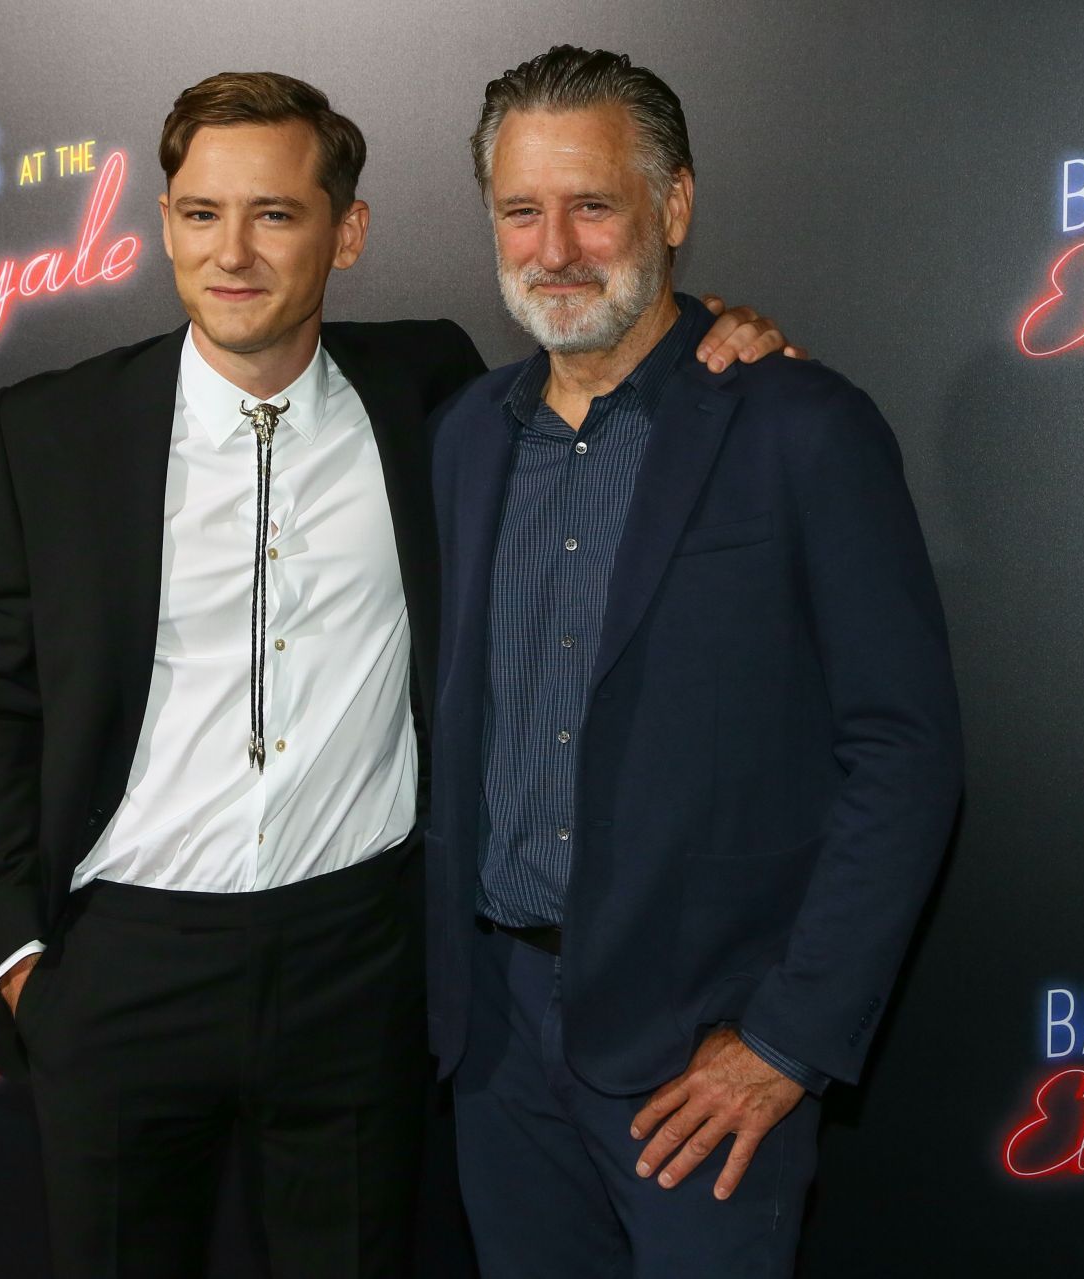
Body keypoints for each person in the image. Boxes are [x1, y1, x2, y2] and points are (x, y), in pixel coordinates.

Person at [0, 69, 789, 1278]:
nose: (231, 252)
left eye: (275, 214)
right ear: (165, 222)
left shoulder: (432, 391)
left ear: (349, 233)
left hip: (359, 966)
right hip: (122, 970)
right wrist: (25, 957)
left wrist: (724, 328)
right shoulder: (49, 428)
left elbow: (615, 340)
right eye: (199, 213)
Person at [425, 46, 964, 1275]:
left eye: (593, 203)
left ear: (672, 208)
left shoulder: (801, 425)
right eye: (521, 208)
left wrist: (787, 1039)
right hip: (495, 1046)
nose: (554, 246)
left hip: (700, 1058)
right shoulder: (462, 437)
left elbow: (904, 750)